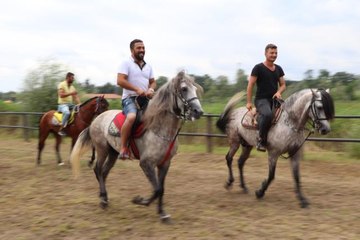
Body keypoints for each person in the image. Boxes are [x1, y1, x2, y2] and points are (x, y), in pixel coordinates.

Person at [117, 39, 156, 159]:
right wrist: (136, 89)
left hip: (145, 99)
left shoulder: (148, 66)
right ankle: (123, 148)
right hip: (130, 99)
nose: (142, 50)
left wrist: (151, 89)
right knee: (132, 117)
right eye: (139, 48)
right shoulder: (126, 63)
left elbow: (153, 82)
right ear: (132, 50)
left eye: (143, 48)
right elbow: (120, 81)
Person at [246, 43, 286, 152]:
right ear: (265, 53)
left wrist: (278, 92)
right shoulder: (258, 68)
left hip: (274, 100)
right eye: (271, 53)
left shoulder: (279, 69)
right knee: (268, 114)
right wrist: (249, 102)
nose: (274, 55)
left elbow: (283, 85)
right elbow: (250, 85)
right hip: (261, 100)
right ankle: (261, 140)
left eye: (276, 53)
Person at [57, 72, 80, 136]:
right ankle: (61, 129)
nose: (73, 79)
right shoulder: (61, 84)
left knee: (80, 110)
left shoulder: (72, 87)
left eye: (73, 78)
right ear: (68, 78)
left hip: (70, 105)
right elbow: (61, 95)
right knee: (67, 113)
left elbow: (76, 97)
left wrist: (80, 104)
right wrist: (71, 93)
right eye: (72, 78)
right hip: (62, 105)